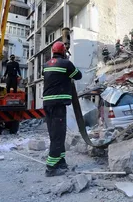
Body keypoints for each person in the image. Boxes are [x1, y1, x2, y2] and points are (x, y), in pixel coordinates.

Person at [43, 41, 82, 177]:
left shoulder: (46, 65)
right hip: (58, 105)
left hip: (47, 105)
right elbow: (78, 75)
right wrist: (68, 62)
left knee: (55, 134)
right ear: (64, 52)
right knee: (58, 136)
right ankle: (51, 167)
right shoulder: (66, 64)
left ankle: (61, 161)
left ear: (53, 52)